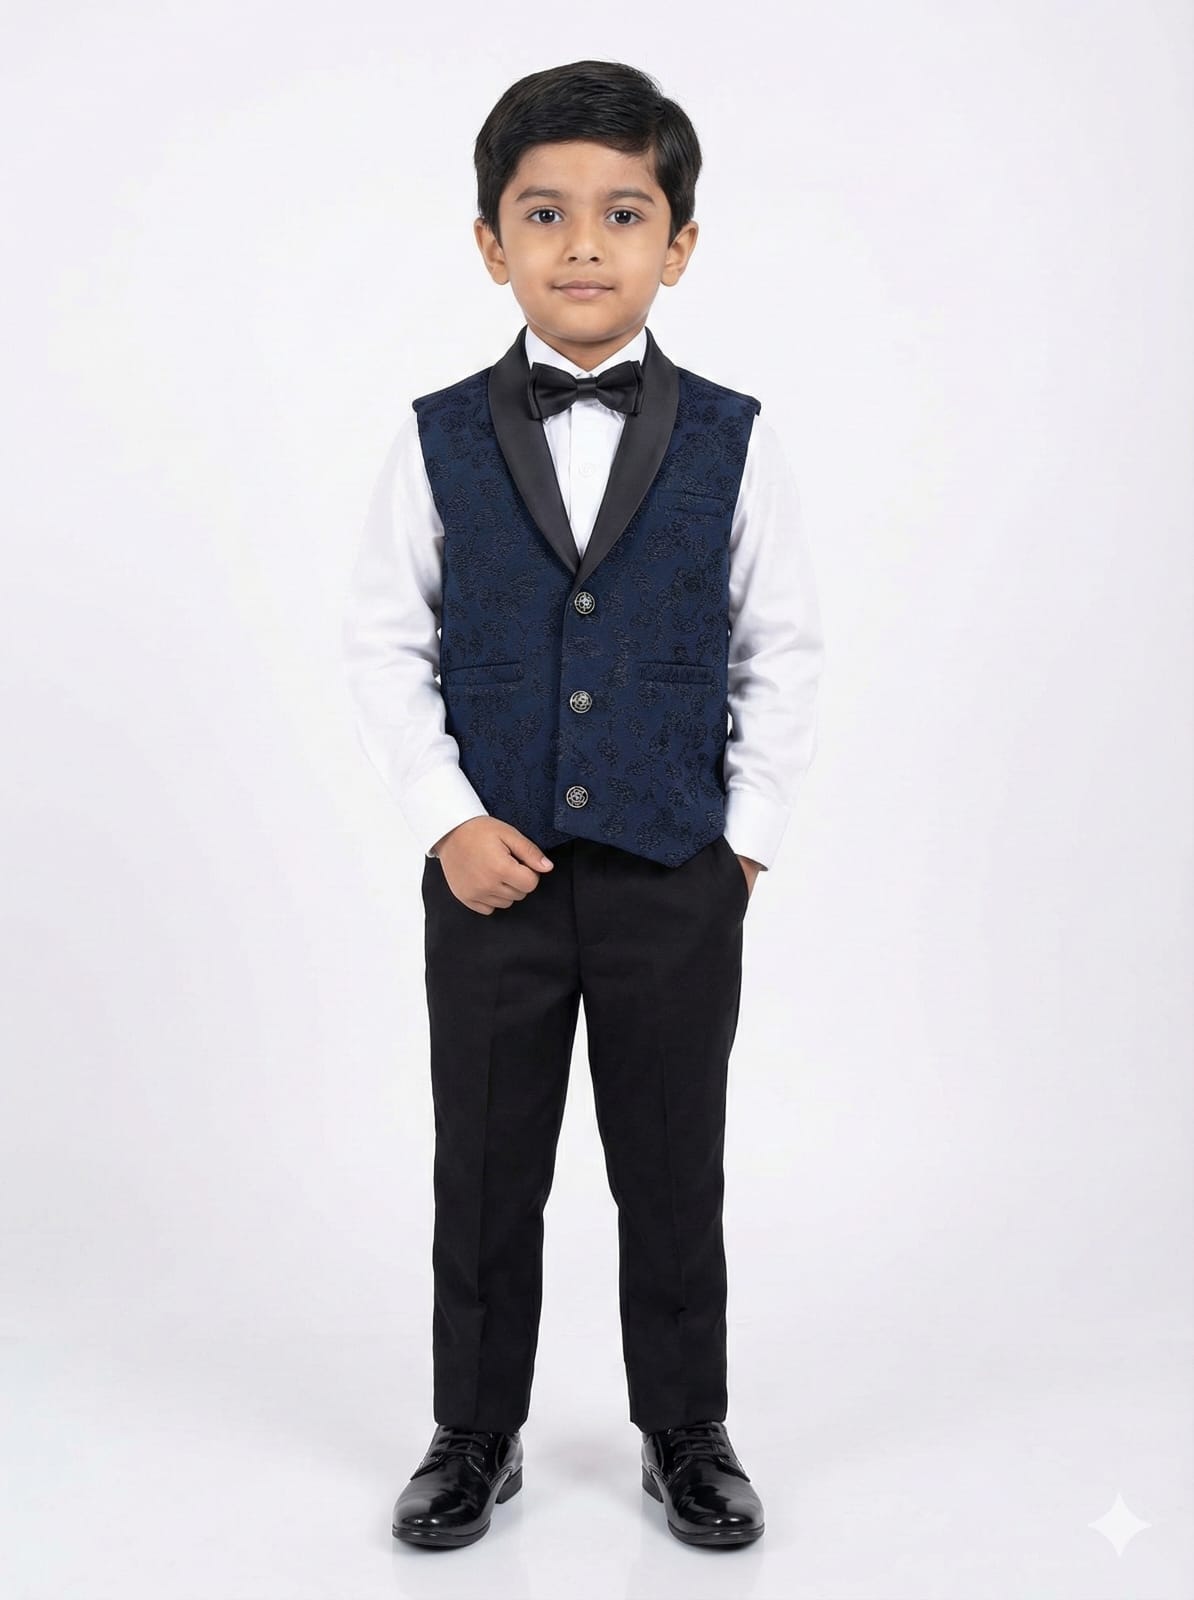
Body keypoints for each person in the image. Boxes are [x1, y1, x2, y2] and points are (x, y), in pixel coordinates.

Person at [341, 58, 824, 1551]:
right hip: (492, 874)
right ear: (491, 241)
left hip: (675, 870)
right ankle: (469, 1434)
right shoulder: (431, 436)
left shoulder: (735, 438)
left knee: (672, 1162)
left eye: (622, 213)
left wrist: (740, 846)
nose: (582, 244)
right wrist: (443, 818)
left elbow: (782, 641)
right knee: (483, 1162)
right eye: (543, 214)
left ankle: (686, 1429)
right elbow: (384, 637)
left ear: (677, 243)